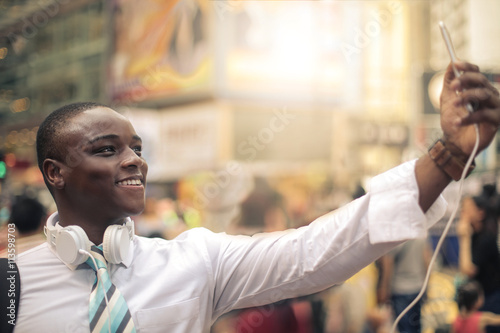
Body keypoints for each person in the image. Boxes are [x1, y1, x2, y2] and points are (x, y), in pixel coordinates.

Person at [12, 61, 500, 332]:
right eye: (107, 149)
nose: (133, 160)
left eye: (136, 148)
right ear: (55, 173)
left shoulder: (196, 258)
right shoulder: (11, 286)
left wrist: (448, 157)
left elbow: (316, 250)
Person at [457, 194, 500, 333]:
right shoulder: (475, 235)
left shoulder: (487, 239)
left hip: (490, 298)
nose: (462, 212)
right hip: (480, 297)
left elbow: (467, 270)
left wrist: (464, 238)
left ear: (480, 213)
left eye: (467, 208)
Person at [377, 238, 432, 333]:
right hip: (417, 288)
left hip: (399, 289)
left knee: (403, 328)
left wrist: (384, 287)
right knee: (416, 327)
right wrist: (427, 286)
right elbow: (427, 260)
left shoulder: (395, 236)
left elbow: (388, 264)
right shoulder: (421, 234)